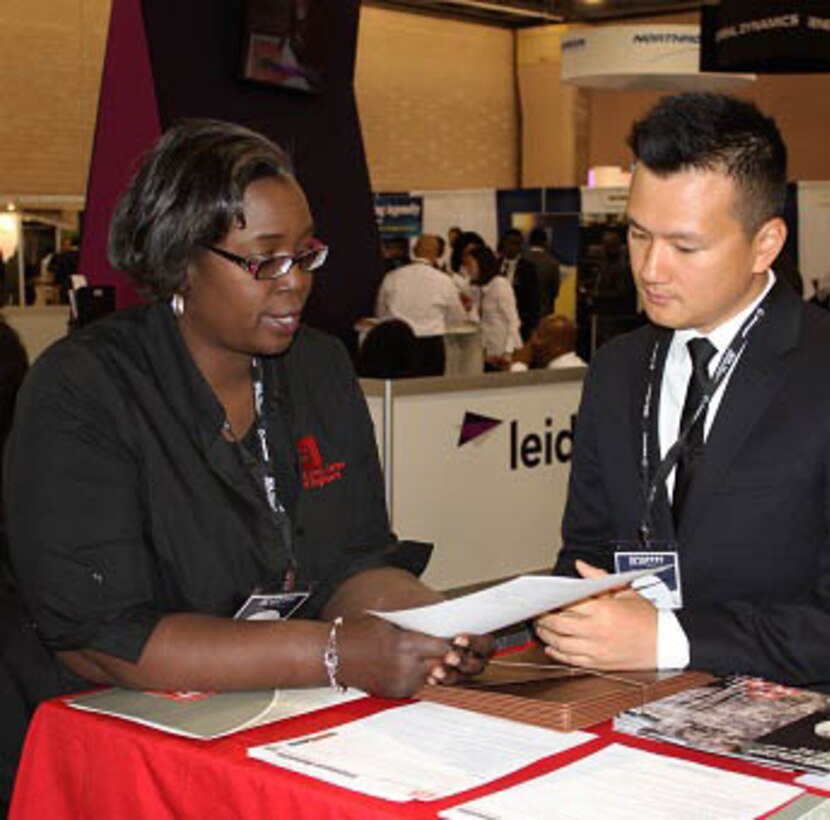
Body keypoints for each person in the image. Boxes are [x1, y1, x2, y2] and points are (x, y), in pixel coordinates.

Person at [1, 121, 492, 797]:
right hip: (104, 737)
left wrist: (430, 626)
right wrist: (336, 654)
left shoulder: (317, 367)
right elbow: (100, 636)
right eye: (264, 261)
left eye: (305, 254)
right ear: (180, 261)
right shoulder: (84, 390)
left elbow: (353, 561)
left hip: (275, 721)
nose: (293, 284)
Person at [535, 93, 830, 698]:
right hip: (622, 706)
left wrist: (672, 638)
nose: (651, 269)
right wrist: (564, 614)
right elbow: (585, 550)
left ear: (765, 243)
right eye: (639, 235)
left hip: (794, 722)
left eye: (685, 247)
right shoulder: (616, 370)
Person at [374, 234, 470, 376]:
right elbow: (457, 317)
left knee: (400, 391)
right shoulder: (444, 281)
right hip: (431, 346)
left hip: (397, 344)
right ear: (438, 254)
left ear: (414, 250)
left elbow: (380, 313)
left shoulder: (392, 277)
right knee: (429, 392)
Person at [463, 244, 521, 370]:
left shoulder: (500, 285)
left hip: (504, 353)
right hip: (488, 353)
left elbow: (513, 321)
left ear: (482, 264)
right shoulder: (479, 289)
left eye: (470, 265)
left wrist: (508, 352)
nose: (467, 270)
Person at [498, 229, 541, 344]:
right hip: (498, 323)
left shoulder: (528, 268)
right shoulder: (495, 265)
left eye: (517, 244)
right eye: (510, 243)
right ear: (504, 243)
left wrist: (532, 326)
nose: (513, 247)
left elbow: (534, 298)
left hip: (520, 323)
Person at [510, 315, 585, 371]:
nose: (533, 341)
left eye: (540, 336)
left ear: (558, 347)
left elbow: (520, 390)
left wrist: (519, 363)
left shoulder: (559, 372)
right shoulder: (580, 366)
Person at [522, 228, 562, 319]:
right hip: (543, 312)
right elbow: (555, 291)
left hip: (522, 313)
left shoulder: (521, 259)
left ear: (529, 241)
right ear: (545, 242)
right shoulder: (552, 262)